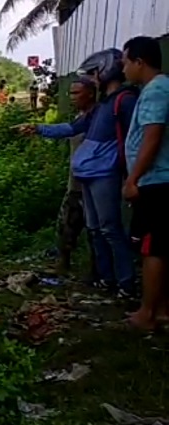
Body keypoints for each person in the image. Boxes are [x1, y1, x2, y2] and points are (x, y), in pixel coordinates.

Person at [18, 48, 137, 298]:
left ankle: (126, 283)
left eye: (94, 74)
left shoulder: (123, 101)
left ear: (106, 71)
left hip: (105, 174)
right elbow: (71, 128)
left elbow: (135, 138)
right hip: (89, 175)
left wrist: (132, 175)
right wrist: (39, 128)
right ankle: (106, 279)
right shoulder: (101, 107)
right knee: (95, 229)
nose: (93, 80)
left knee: (110, 228)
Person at [121, 36, 169, 330]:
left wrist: (133, 178)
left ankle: (147, 313)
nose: (124, 69)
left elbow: (152, 136)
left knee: (153, 248)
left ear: (140, 62)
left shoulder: (155, 91)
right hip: (159, 179)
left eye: (126, 62)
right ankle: (162, 311)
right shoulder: (159, 88)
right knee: (163, 247)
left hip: (156, 181)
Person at [55, 77, 98, 277]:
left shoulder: (97, 120)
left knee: (95, 230)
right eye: (70, 93)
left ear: (90, 93)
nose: (71, 97)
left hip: (93, 184)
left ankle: (96, 272)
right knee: (65, 227)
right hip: (75, 184)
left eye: (76, 93)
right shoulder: (79, 119)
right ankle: (64, 266)